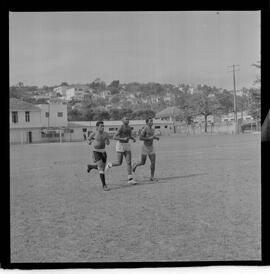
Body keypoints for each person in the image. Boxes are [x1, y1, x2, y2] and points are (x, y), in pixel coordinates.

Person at [105, 117, 137, 185]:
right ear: (122, 121)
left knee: (129, 162)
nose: (127, 120)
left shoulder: (129, 127)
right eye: (126, 119)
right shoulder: (121, 128)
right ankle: (109, 164)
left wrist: (133, 138)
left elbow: (129, 135)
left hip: (127, 145)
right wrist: (123, 138)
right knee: (119, 163)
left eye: (128, 119)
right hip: (120, 145)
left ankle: (130, 179)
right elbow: (114, 137)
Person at [86, 121, 110, 191]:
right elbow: (88, 139)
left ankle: (90, 166)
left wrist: (107, 141)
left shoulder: (105, 134)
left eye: (103, 126)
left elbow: (108, 143)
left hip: (103, 152)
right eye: (101, 126)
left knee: (103, 167)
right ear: (97, 127)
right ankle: (104, 185)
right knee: (101, 168)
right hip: (96, 151)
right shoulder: (94, 133)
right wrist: (89, 142)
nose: (102, 127)